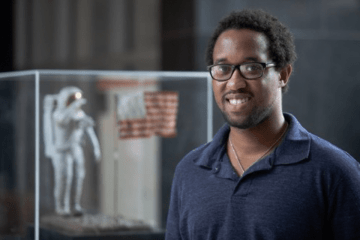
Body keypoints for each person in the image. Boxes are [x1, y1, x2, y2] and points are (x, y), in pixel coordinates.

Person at [165, 9, 360, 239]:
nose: (234, 83)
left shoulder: (334, 171)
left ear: (283, 74)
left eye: (251, 68)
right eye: (223, 68)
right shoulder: (190, 171)